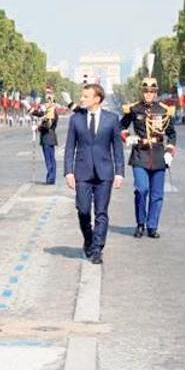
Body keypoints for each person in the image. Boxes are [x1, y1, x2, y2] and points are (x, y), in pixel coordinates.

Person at [63, 84, 125, 264]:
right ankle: (88, 238)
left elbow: (117, 148)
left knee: (101, 212)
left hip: (105, 173)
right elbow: (69, 148)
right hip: (82, 172)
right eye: (82, 96)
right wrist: (68, 172)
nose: (81, 99)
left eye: (85, 96)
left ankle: (97, 248)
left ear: (97, 99)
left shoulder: (112, 119)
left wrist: (119, 172)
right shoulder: (76, 119)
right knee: (82, 210)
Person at [120, 76, 177, 239]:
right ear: (142, 92)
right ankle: (140, 223)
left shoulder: (164, 110)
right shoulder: (134, 109)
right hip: (140, 154)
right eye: (146, 91)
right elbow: (121, 126)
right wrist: (127, 137)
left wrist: (169, 151)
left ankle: (152, 226)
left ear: (156, 93)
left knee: (157, 194)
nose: (149, 95)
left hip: (158, 154)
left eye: (152, 92)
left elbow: (172, 134)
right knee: (141, 189)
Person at [31, 90, 59, 185]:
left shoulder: (51, 112)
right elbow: (39, 114)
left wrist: (37, 127)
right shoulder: (49, 111)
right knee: (51, 159)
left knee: (49, 160)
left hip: (48, 138)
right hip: (49, 138)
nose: (46, 103)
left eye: (47, 101)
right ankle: (51, 177)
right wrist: (28, 108)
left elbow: (47, 125)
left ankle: (50, 178)